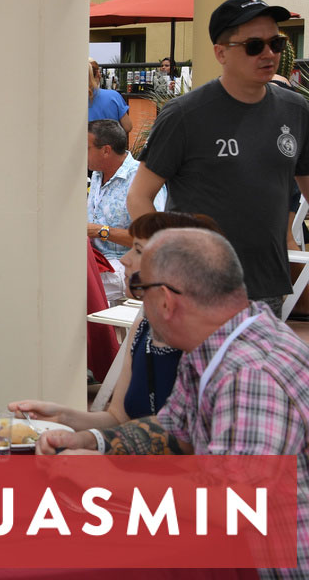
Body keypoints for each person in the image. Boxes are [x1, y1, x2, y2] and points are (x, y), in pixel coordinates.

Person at [39, 228, 309, 571]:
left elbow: (235, 502)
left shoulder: (248, 373)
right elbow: (173, 429)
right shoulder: (223, 341)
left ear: (166, 301)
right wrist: (91, 441)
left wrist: (103, 479)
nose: (136, 299)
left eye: (139, 287)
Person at [128, 0, 309, 308]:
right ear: (221, 52)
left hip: (266, 286)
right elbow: (138, 197)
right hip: (195, 288)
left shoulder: (296, 110)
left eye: (276, 43)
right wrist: (167, 262)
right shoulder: (185, 114)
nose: (268, 53)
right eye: (254, 45)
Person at [12, 211, 222, 430]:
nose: (124, 259)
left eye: (138, 250)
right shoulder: (143, 328)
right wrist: (61, 418)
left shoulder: (210, 346)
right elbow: (117, 417)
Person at [87, 118, 166, 299]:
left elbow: (154, 238)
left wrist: (101, 231)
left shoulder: (140, 179)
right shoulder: (98, 173)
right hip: (96, 261)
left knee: (71, 286)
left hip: (128, 264)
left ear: (106, 150)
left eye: (87, 148)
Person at [88, 59, 131, 133]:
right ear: (98, 74)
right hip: (110, 143)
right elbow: (128, 127)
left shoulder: (72, 99)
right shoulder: (113, 96)